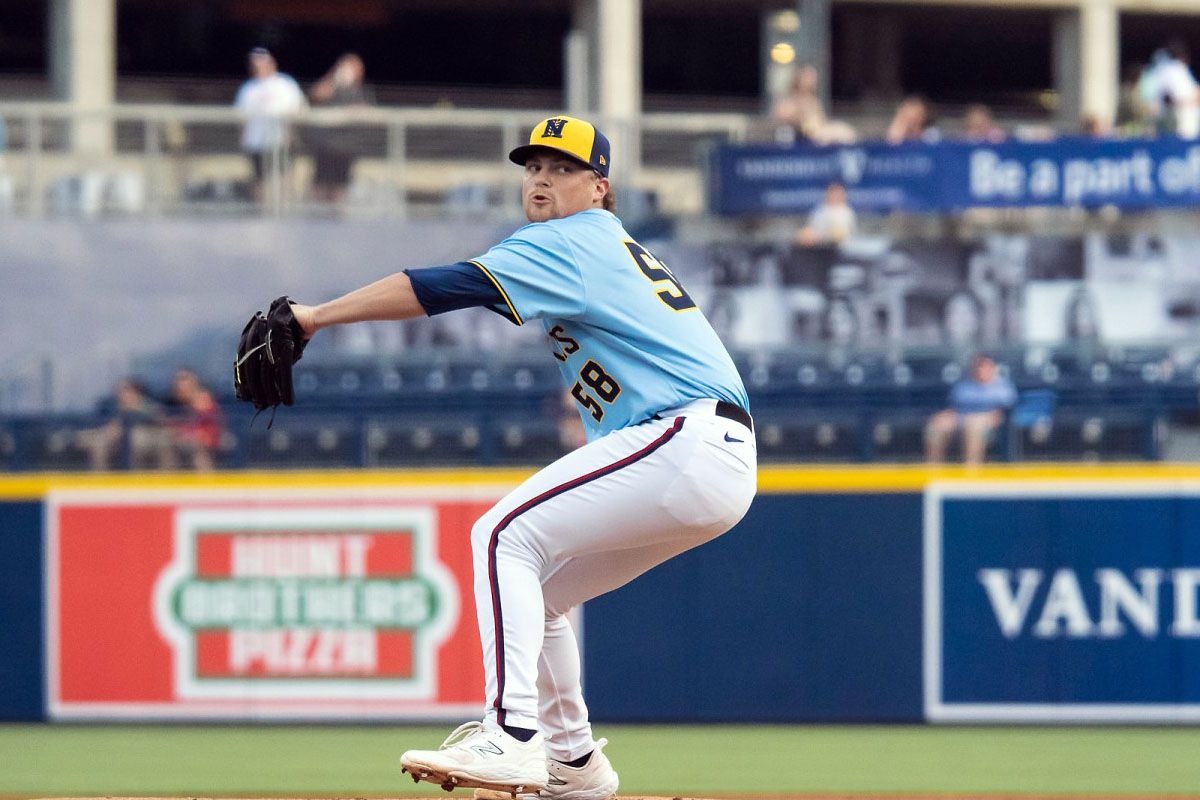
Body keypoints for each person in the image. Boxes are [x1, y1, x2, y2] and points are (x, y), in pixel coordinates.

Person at [246, 115, 758, 798]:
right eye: (533, 167)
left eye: (562, 169)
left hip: (685, 439)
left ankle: (512, 735)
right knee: (540, 598)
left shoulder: (574, 239)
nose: (542, 178)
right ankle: (573, 763)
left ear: (599, 187)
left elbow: (444, 286)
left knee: (501, 534)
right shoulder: (600, 245)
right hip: (707, 457)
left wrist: (314, 316)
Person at [234, 47, 306, 202]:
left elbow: (295, 111)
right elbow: (242, 118)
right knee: (260, 180)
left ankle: (284, 211)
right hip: (256, 142)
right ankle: (262, 213)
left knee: (283, 177)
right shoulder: (248, 88)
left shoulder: (285, 84)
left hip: (280, 141)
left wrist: (291, 136)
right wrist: (243, 139)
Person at [924, 354, 1017, 465]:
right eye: (979, 366)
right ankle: (934, 467)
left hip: (987, 421)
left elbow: (1007, 408)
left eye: (985, 366)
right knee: (937, 424)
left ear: (992, 368)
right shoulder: (964, 385)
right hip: (960, 417)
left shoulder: (1002, 387)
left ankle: (971, 469)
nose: (981, 370)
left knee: (974, 424)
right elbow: (954, 406)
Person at [307, 53, 374, 204]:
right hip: (325, 145)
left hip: (346, 147)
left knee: (340, 186)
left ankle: (336, 219)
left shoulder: (361, 91)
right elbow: (315, 95)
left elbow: (366, 111)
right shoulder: (331, 87)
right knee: (319, 184)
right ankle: (316, 217)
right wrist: (333, 78)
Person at [75, 378, 166, 470]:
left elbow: (159, 422)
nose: (122, 394)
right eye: (120, 390)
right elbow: (101, 424)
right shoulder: (110, 407)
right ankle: (100, 481)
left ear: (137, 393)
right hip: (114, 441)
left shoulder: (148, 407)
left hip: (145, 441)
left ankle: (137, 481)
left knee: (137, 440)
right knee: (98, 444)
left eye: (126, 390)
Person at [770, 64, 857, 145]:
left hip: (820, 132)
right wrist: (799, 114)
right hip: (804, 135)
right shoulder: (789, 99)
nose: (812, 81)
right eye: (808, 78)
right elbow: (781, 116)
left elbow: (822, 120)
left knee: (844, 130)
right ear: (799, 79)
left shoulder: (814, 100)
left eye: (813, 78)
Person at [165, 369, 223, 471]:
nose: (180, 384)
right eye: (178, 380)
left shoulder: (203, 400)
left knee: (197, 450)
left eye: (184, 380)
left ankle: (206, 484)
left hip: (206, 440)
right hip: (182, 441)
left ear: (194, 383)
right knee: (165, 444)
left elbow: (211, 428)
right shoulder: (173, 403)